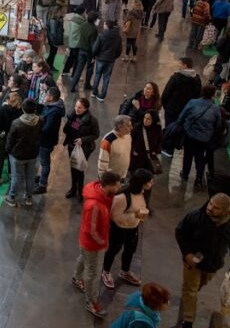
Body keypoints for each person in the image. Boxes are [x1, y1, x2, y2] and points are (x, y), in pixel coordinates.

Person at [175, 193, 230, 328]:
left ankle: (189, 300)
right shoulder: (195, 216)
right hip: (193, 262)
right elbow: (180, 232)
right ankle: (188, 321)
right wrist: (187, 253)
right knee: (190, 289)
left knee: (197, 287)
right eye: (210, 203)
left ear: (225, 210)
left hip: (213, 264)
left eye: (216, 207)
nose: (210, 208)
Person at [71, 171, 121, 318]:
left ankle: (76, 278)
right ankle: (91, 302)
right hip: (92, 244)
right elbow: (91, 230)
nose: (119, 188)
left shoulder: (102, 196)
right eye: (117, 185)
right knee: (93, 274)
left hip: (87, 243)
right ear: (110, 186)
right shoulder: (94, 205)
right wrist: (103, 242)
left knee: (82, 257)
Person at [101, 169, 153, 289]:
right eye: (149, 182)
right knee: (114, 249)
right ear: (142, 182)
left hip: (133, 227)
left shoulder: (143, 192)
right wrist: (135, 215)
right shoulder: (123, 197)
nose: (151, 184)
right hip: (119, 228)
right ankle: (106, 271)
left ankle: (125, 271)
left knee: (130, 250)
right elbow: (115, 216)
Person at [177, 85, 221, 189]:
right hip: (204, 139)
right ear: (213, 95)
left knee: (187, 155)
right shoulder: (215, 109)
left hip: (189, 135)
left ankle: (185, 174)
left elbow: (181, 117)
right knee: (199, 157)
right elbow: (218, 125)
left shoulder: (192, 102)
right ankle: (199, 179)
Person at [3, 99, 41, 208]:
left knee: (16, 177)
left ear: (23, 109)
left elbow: (10, 139)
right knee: (30, 177)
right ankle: (29, 198)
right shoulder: (39, 121)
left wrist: (8, 150)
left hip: (17, 155)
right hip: (32, 153)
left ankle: (11, 198)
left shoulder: (17, 123)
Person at [34, 87, 64, 194]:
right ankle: (41, 177)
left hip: (46, 140)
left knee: (45, 162)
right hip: (47, 139)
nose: (45, 96)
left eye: (47, 95)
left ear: (51, 97)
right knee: (43, 160)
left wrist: (37, 130)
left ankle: (42, 184)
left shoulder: (54, 112)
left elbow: (47, 127)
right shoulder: (53, 106)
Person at [0, 91, 23, 186]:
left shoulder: (2, 110)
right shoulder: (20, 111)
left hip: (2, 137)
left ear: (8, 100)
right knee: (11, 157)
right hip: (14, 138)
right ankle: (10, 173)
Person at [91, 20, 122, 101]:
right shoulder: (118, 37)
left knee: (97, 75)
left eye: (104, 24)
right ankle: (102, 96)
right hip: (111, 60)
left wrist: (95, 55)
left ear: (106, 26)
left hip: (100, 59)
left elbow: (95, 48)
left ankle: (94, 92)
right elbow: (119, 50)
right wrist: (114, 57)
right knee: (106, 78)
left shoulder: (101, 35)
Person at [69, 12, 99, 93]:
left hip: (81, 50)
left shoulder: (83, 25)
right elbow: (93, 44)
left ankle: (72, 86)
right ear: (95, 20)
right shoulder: (94, 29)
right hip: (89, 52)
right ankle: (87, 84)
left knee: (79, 68)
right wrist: (94, 55)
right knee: (90, 68)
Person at [97, 115, 133, 180]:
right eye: (128, 126)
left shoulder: (128, 136)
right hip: (111, 179)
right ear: (120, 127)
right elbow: (102, 164)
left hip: (122, 176)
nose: (131, 128)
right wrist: (102, 179)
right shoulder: (108, 141)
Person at [130, 110, 163, 178]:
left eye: (148, 119)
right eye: (144, 118)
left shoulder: (157, 129)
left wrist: (156, 151)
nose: (145, 120)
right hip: (137, 157)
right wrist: (133, 150)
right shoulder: (137, 127)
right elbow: (130, 140)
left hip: (149, 157)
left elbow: (160, 141)